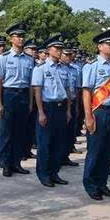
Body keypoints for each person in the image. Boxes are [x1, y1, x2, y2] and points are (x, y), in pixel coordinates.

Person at [82, 29, 110, 200]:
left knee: (108, 151)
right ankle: (91, 185)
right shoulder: (92, 66)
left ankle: (102, 183)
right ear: (100, 46)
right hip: (99, 112)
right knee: (95, 151)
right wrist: (88, 117)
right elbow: (86, 92)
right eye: (109, 44)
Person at [0, 23, 35, 178]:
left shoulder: (29, 59)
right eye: (17, 36)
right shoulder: (3, 58)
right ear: (11, 39)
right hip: (9, 95)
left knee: (20, 132)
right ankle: (5, 164)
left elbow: (31, 84)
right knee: (6, 132)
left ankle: (16, 162)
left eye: (22, 36)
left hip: (23, 95)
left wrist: (31, 102)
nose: (20, 39)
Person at [31, 35, 71, 187]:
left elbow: (67, 91)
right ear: (49, 50)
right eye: (57, 48)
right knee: (45, 143)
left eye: (61, 48)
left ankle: (54, 173)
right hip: (47, 108)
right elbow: (37, 91)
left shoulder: (64, 68)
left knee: (59, 143)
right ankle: (44, 174)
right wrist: (40, 112)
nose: (60, 51)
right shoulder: (40, 68)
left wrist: (68, 110)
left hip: (61, 108)